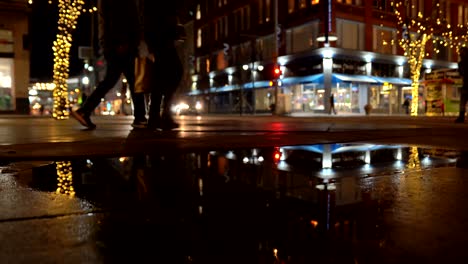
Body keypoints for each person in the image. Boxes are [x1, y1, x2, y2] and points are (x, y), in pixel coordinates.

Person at [70, 0, 147, 129]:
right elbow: (120, 18)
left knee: (112, 80)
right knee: (133, 81)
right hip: (122, 44)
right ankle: (140, 117)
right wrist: (122, 42)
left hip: (117, 44)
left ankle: (84, 111)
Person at [141, 0, 184, 130]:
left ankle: (157, 116)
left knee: (163, 76)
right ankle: (161, 115)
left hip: (160, 34)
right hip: (160, 34)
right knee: (173, 72)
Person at [455, 47, 468, 123]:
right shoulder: (461, 63)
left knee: (463, 101)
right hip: (466, 83)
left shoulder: (461, 63)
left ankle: (461, 116)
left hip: (465, 83)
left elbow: (461, 74)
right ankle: (461, 116)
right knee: (463, 100)